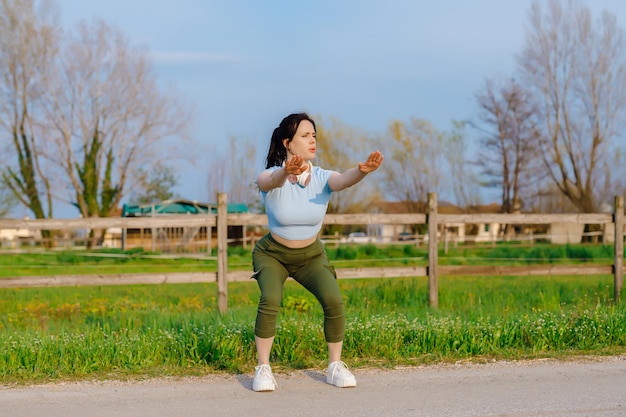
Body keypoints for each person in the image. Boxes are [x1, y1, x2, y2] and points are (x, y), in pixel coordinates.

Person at [251, 112, 384, 392]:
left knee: (334, 301)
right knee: (271, 298)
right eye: (305, 135)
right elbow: (270, 181)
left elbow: (343, 180)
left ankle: (335, 366)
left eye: (314, 135)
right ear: (288, 142)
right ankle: (263, 368)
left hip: (310, 255)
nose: (312, 140)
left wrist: (361, 171)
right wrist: (285, 172)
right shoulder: (270, 176)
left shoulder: (322, 177)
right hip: (273, 254)